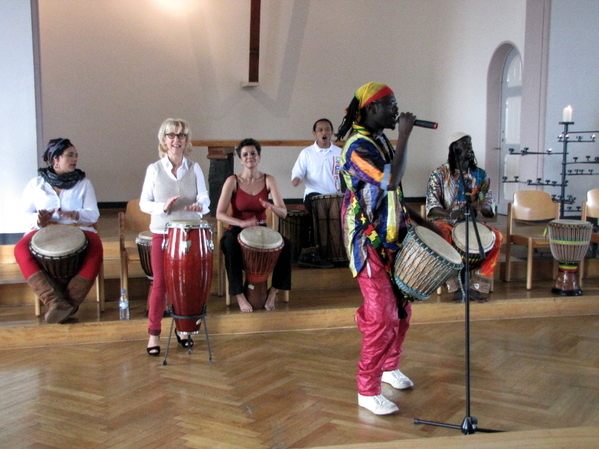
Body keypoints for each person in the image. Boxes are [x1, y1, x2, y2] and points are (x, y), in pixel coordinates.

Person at [337, 82, 440, 415]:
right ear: (370, 110)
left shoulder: (379, 139)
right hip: (367, 243)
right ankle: (366, 389)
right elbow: (390, 179)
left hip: (395, 236)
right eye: (390, 105)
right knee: (382, 316)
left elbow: (392, 195)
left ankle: (389, 366)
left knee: (401, 310)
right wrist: (406, 135)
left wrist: (420, 220)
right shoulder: (356, 148)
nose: (396, 111)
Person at [14, 138, 104, 324]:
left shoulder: (84, 183)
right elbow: (23, 214)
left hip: (78, 229)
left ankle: (67, 303)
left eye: (76, 155)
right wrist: (38, 219)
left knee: (96, 246)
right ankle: (55, 301)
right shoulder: (36, 184)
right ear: (55, 159)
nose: (75, 159)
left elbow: (93, 214)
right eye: (70, 155)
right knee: (20, 249)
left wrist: (75, 214)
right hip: (43, 230)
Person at [140, 118, 210, 356]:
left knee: (186, 284)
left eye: (181, 136)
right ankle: (153, 334)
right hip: (163, 232)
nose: (176, 140)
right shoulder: (154, 169)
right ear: (164, 139)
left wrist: (199, 206)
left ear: (186, 140)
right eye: (171, 135)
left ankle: (184, 330)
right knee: (160, 284)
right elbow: (144, 203)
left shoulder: (195, 168)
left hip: (189, 233)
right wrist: (163, 207)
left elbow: (204, 197)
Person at [425, 132, 503, 302]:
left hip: (471, 222)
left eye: (470, 143)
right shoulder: (439, 173)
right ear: (454, 147)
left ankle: (477, 286)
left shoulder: (480, 175)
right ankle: (455, 286)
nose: (469, 147)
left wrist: (485, 207)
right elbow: (432, 207)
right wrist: (451, 214)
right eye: (464, 144)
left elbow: (489, 205)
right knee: (444, 234)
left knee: (497, 236)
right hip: (446, 221)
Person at [217, 138, 292, 313]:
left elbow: (283, 212)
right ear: (240, 160)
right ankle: (239, 295)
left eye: (253, 153)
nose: (249, 157)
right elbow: (220, 213)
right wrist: (241, 223)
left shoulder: (269, 180)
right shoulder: (232, 181)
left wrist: (272, 206)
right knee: (229, 244)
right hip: (236, 229)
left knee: (287, 245)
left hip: (261, 229)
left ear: (259, 157)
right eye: (245, 154)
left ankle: (273, 292)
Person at [291, 118, 342, 268]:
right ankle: (316, 252)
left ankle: (337, 252)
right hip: (314, 195)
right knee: (319, 211)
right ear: (315, 133)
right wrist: (297, 179)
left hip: (335, 195)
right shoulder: (306, 153)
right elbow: (297, 173)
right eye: (320, 130)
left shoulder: (340, 152)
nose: (324, 132)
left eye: (327, 129)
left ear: (332, 132)